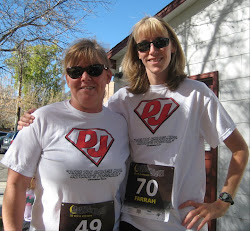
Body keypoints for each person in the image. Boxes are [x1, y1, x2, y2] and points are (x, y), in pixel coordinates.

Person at [18, 16, 249, 231]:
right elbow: (88, 116)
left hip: (181, 222)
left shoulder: (197, 94)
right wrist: (37, 120)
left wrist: (223, 202)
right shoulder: (123, 100)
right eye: (143, 45)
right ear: (136, 53)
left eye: (160, 42)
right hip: (131, 222)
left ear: (173, 46)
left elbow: (239, 149)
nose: (153, 51)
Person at [1, 38, 130, 231]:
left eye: (94, 70)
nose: (85, 77)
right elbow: (16, 186)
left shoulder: (121, 124)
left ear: (108, 76)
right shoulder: (41, 120)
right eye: (76, 72)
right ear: (68, 79)